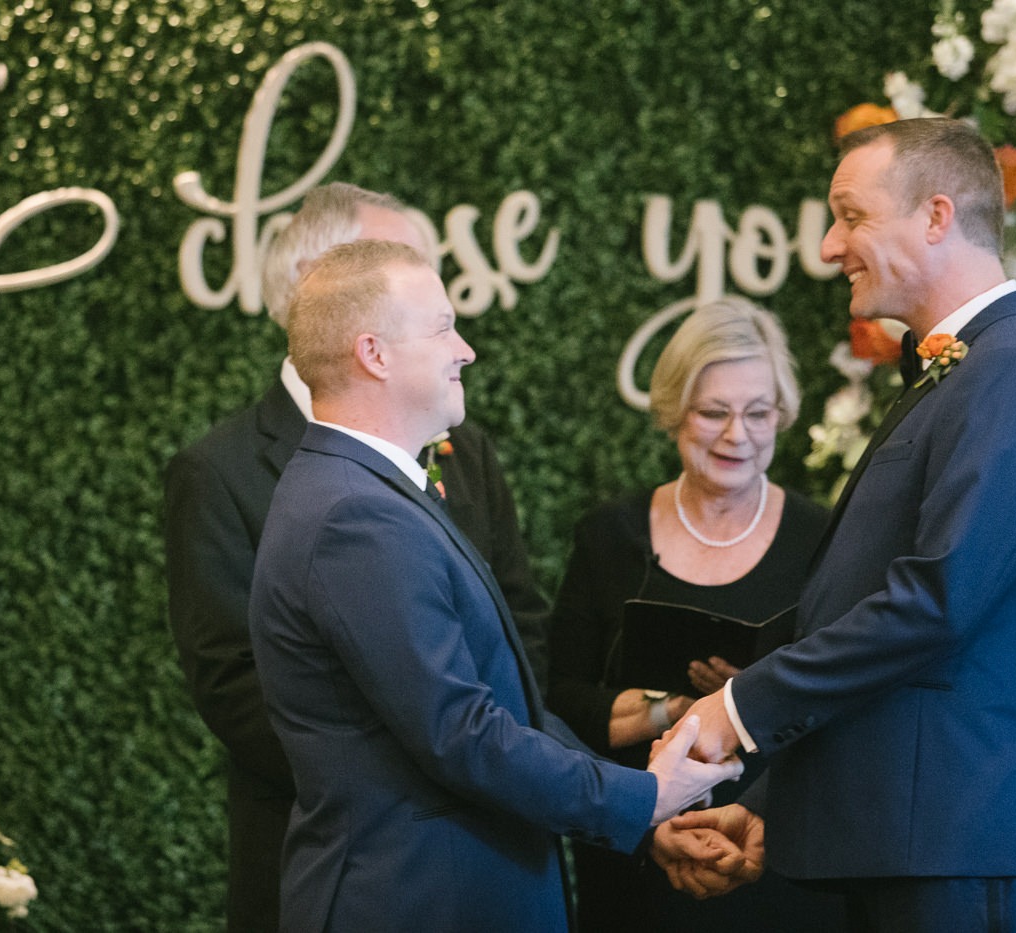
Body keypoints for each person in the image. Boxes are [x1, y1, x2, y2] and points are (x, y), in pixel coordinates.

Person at [664, 117, 1016, 931]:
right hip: (927, 841)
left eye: (851, 216)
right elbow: (867, 612)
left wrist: (738, 707)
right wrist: (772, 802)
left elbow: (937, 601)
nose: (830, 246)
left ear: (936, 217)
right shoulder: (961, 372)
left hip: (970, 844)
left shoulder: (1013, 371)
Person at [248, 239, 745, 932]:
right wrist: (645, 794)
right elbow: (462, 733)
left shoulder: (368, 492)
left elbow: (505, 710)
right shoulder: (353, 514)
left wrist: (638, 812)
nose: (467, 349)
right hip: (415, 903)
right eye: (443, 326)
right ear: (375, 353)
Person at [163, 183, 548, 932]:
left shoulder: (460, 446)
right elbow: (235, 684)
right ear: (318, 286)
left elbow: (519, 622)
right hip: (338, 858)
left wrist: (511, 764)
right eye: (390, 261)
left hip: (495, 841)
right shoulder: (219, 469)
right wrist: (440, 762)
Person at [547, 295, 845, 931]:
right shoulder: (609, 537)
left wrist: (751, 703)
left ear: (782, 414)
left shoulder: (820, 538)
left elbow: (845, 708)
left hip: (777, 859)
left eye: (758, 412)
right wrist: (681, 710)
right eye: (714, 412)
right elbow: (558, 702)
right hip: (635, 858)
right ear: (675, 412)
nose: (738, 435)